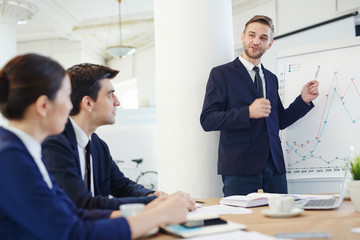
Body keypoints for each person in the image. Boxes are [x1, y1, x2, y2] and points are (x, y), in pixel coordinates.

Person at [0, 53, 191, 239]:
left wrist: (156, 207)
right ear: (43, 106)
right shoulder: (10, 157)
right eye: (67, 97)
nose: (70, 106)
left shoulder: (22, 151)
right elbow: (71, 232)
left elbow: (73, 213)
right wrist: (158, 214)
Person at [200, 15, 319, 196]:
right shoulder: (221, 74)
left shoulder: (271, 78)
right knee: (241, 221)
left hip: (274, 167)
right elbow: (207, 120)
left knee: (280, 221)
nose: (256, 41)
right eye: (251, 35)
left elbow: (278, 120)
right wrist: (247, 112)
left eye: (263, 38)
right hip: (239, 168)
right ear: (242, 37)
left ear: (270, 43)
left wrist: (303, 100)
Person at [42, 63, 170, 210]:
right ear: (88, 103)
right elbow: (81, 204)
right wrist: (150, 203)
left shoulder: (97, 145)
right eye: (110, 95)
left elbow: (122, 185)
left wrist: (153, 196)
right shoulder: (54, 144)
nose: (117, 102)